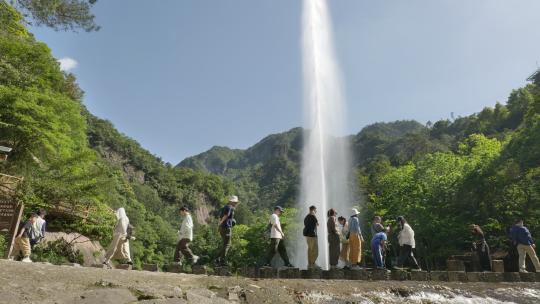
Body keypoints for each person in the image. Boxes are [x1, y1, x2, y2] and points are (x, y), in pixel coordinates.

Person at [216, 195, 239, 266]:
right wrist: (221, 222)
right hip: (226, 227)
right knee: (227, 245)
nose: (235, 204)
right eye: (235, 202)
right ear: (232, 202)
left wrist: (219, 225)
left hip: (222, 228)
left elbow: (221, 216)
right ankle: (221, 261)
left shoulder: (224, 207)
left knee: (225, 244)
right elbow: (226, 215)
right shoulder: (230, 207)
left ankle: (218, 259)